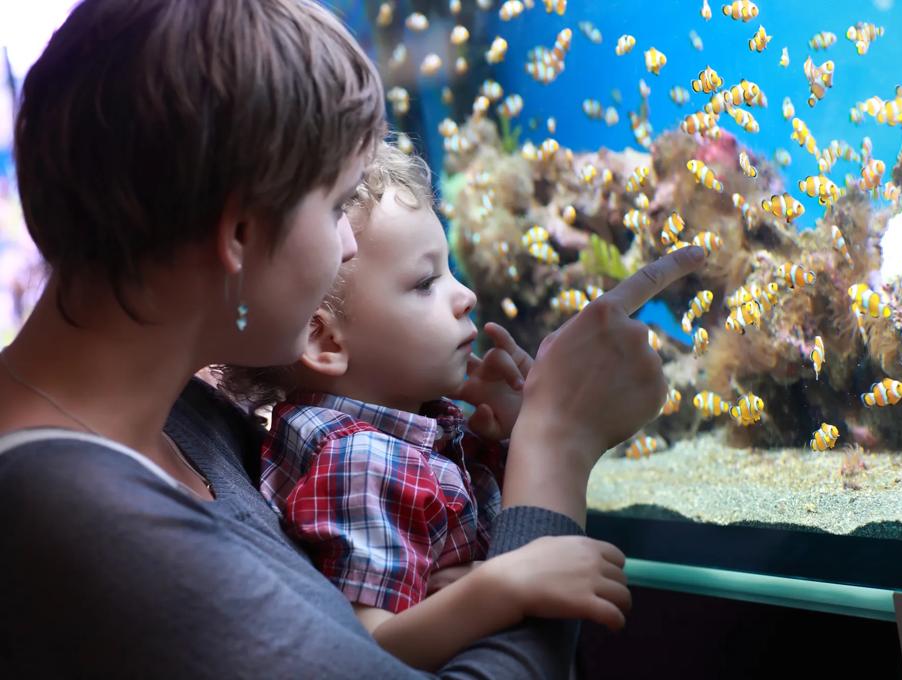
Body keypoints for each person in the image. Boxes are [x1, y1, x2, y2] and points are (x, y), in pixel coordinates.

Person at [0, 0, 706, 677]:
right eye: (338, 205)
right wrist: (555, 450)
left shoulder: (176, 418)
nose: (346, 246)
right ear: (240, 233)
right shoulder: (80, 521)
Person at [218, 141, 623, 671]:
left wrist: (507, 430)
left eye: (449, 269)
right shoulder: (358, 462)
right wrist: (498, 587)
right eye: (426, 282)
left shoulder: (411, 424)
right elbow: (369, 651)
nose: (465, 296)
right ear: (326, 342)